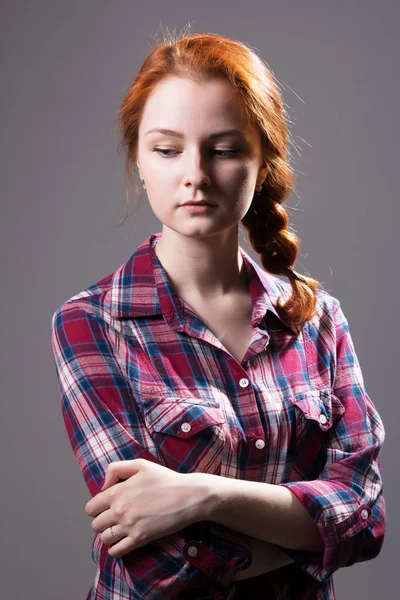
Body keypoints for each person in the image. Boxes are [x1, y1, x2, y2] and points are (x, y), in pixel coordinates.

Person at [51, 29, 386, 600]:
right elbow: (156, 566)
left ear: (264, 158)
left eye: (225, 149)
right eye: (167, 149)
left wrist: (204, 496)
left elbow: (364, 521)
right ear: (139, 157)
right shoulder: (92, 323)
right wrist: (309, 537)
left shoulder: (319, 321)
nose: (196, 174)